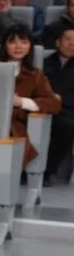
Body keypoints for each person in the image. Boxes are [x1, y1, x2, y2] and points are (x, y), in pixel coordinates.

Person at [0, 26, 61, 165]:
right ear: (4, 45)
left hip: (13, 125)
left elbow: (54, 103)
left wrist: (21, 102)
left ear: (30, 47)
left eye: (24, 42)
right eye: (12, 41)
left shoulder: (35, 74)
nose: (18, 46)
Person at [43, 26, 74, 181]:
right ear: (58, 42)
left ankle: (47, 170)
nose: (71, 44)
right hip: (45, 106)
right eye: (68, 39)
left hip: (69, 110)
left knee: (67, 125)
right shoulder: (44, 62)